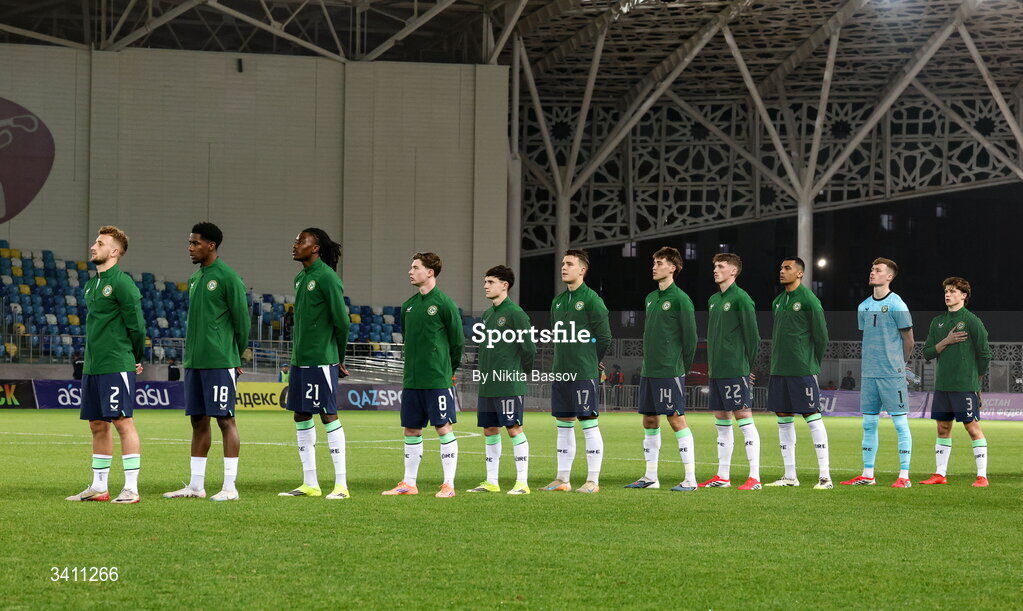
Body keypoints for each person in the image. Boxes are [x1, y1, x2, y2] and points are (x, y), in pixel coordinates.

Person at [163, 222, 249, 502]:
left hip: (219, 361)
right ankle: (196, 486)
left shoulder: (227, 277)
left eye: (195, 243)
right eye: (190, 243)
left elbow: (242, 322)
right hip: (195, 362)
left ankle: (229, 487)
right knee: (198, 421)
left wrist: (235, 355)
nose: (190, 248)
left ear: (210, 245)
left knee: (225, 419)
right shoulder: (196, 278)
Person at [65, 226, 145, 504]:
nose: (93, 247)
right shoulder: (91, 284)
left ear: (114, 251)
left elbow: (137, 326)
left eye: (99, 243)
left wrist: (134, 358)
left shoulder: (122, 283)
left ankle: (131, 488)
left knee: (123, 422)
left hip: (116, 363)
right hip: (93, 366)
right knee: (97, 425)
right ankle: (99, 487)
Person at [382, 252, 465, 497]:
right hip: (412, 380)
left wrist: (447, 370)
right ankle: (409, 483)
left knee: (443, 427)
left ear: (430, 272)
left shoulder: (444, 303)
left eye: (415, 267)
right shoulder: (408, 306)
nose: (410, 271)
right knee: (411, 429)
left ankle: (449, 484)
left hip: (437, 379)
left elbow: (457, 342)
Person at [278, 228, 351, 499]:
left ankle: (341, 485)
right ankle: (310, 483)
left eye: (301, 241)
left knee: (328, 415)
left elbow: (341, 322)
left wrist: (339, 356)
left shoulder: (327, 277)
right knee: (300, 415)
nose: (295, 244)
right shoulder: (301, 278)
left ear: (316, 247)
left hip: (322, 360)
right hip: (300, 361)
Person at [624, 247, 697, 492]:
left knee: (676, 420)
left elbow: (691, 339)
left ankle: (690, 479)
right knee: (649, 420)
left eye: (659, 263)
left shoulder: (680, 299)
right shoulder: (651, 298)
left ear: (672, 268)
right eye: (654, 262)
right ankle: (650, 477)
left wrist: (680, 368)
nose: (654, 267)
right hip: (649, 371)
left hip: (669, 370)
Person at [542, 249, 612, 494]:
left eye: (569, 264)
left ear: (582, 270)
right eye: (563, 263)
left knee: (588, 423)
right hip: (562, 370)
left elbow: (604, 337)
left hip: (583, 372)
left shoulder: (592, 300)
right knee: (563, 424)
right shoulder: (558, 301)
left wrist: (591, 360)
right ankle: (562, 479)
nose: (564, 267)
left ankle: (593, 481)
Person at [842, 258, 915, 488]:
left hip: (891, 374)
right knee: (868, 424)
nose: (872, 272)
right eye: (872, 269)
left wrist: (900, 365)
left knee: (900, 424)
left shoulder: (897, 304)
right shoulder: (863, 306)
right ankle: (867, 474)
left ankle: (904, 476)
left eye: (878, 270)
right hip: (869, 374)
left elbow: (909, 340)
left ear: (889, 277)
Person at [467, 265, 536, 495]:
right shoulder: (487, 315)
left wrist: (519, 373)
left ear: (504, 285)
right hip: (488, 384)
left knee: (514, 429)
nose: (485, 286)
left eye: (490, 282)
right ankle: (491, 482)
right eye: (485, 282)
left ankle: (522, 483)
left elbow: (529, 349)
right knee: (489, 430)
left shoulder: (516, 314)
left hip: (508, 383)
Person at [766, 257, 832, 489]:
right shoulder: (777, 301)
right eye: (781, 267)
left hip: (802, 370)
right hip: (779, 370)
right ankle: (790, 476)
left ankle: (825, 477)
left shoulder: (808, 300)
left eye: (787, 268)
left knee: (811, 416)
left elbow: (821, 336)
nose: (781, 271)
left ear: (800, 273)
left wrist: (811, 362)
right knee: (783, 419)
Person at [920, 277, 991, 487]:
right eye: (946, 291)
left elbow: (984, 354)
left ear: (964, 295)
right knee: (943, 428)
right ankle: (940, 474)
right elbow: (927, 353)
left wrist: (976, 382)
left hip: (964, 386)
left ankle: (982, 476)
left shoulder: (972, 321)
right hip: (942, 385)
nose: (947, 295)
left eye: (952, 291)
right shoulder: (937, 322)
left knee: (972, 427)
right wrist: (946, 341)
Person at [699, 252, 762, 491]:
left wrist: (748, 367)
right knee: (721, 422)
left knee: (743, 418)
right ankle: (722, 476)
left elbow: (753, 337)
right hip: (716, 371)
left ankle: (754, 477)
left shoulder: (741, 299)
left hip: (736, 370)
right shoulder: (714, 300)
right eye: (715, 265)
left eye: (721, 266)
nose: (716, 269)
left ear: (733, 271)